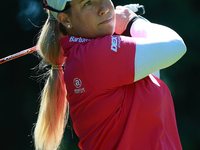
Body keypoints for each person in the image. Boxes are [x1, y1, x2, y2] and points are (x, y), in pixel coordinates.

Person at [34, 0, 187, 150]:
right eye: (88, 3)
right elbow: (176, 46)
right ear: (66, 20)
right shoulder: (94, 55)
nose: (103, 8)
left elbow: (153, 68)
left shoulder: (83, 57)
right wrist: (133, 21)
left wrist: (128, 30)